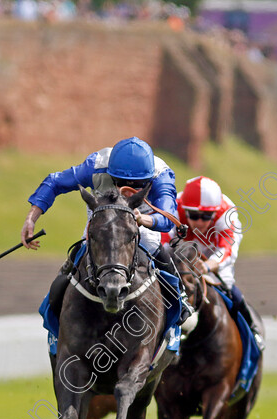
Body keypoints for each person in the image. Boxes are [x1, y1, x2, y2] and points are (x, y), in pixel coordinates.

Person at [20, 136, 190, 322]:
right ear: (110, 173)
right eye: (121, 182)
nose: (129, 190)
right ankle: (53, 308)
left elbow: (167, 219)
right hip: (102, 219)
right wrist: (31, 219)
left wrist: (143, 219)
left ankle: (178, 299)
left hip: (142, 221)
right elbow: (55, 182)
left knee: (150, 243)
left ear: (149, 178)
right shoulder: (95, 165)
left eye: (138, 185)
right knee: (84, 247)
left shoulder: (161, 175)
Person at [165, 175, 264, 350]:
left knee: (231, 290)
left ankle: (251, 330)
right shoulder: (174, 207)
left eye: (206, 216)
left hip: (213, 255)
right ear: (185, 209)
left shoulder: (226, 213)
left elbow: (227, 250)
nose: (200, 222)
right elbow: (163, 243)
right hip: (182, 253)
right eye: (194, 215)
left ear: (215, 212)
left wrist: (208, 265)